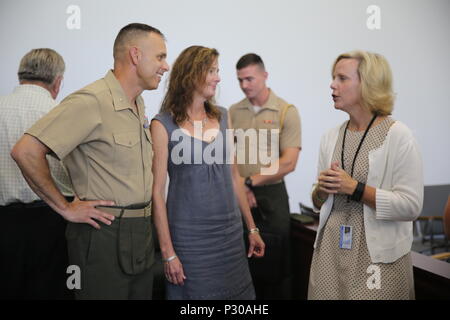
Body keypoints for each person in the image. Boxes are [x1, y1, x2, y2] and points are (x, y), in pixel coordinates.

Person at [10, 23, 170, 299]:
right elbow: (25, 150)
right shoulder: (90, 101)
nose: (165, 66)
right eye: (160, 57)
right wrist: (65, 208)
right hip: (104, 236)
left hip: (140, 232)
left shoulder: (138, 103)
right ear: (135, 55)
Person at [151, 45, 265, 300]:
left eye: (217, 70)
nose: (218, 77)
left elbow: (234, 176)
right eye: (211, 70)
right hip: (190, 239)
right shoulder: (162, 125)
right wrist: (168, 253)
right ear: (191, 74)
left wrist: (252, 228)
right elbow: (157, 193)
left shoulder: (224, 116)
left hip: (230, 235)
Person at [308, 50, 423, 300]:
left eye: (342, 78)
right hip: (330, 254)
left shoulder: (399, 135)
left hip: (378, 261)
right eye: (333, 78)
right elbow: (317, 203)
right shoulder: (330, 137)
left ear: (367, 85)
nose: (332, 84)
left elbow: (411, 206)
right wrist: (321, 191)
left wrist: (355, 188)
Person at [0, 48, 73, 299]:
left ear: (20, 75)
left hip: (4, 224)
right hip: (51, 222)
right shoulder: (61, 113)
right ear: (58, 81)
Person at [229, 53, 301, 299]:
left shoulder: (285, 111)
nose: (245, 85)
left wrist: (251, 182)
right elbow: (230, 159)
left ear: (265, 76)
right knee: (243, 265)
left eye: (249, 78)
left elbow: (288, 162)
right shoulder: (232, 112)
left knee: (276, 266)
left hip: (272, 196)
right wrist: (242, 186)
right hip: (239, 195)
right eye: (240, 80)